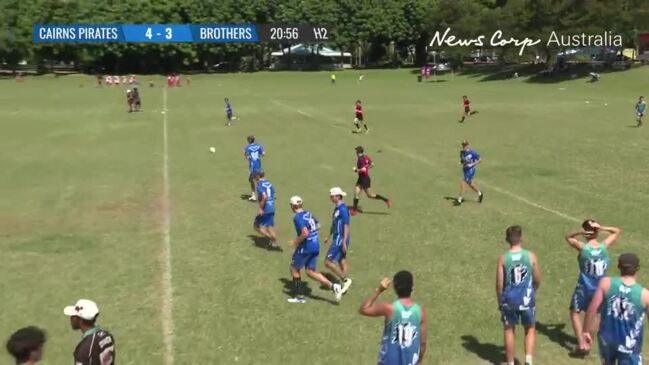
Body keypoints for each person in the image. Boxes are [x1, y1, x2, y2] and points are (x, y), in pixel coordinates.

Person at [565, 220, 621, 355]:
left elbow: (568, 237)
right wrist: (601, 228)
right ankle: (589, 342)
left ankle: (581, 343)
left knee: (575, 312)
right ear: (596, 232)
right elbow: (617, 231)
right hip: (600, 288)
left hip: (584, 286)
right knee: (595, 314)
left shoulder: (583, 248)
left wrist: (579, 232)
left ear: (586, 233)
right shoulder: (604, 247)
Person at [583, 253, 649, 364]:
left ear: (619, 267)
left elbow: (592, 309)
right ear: (637, 269)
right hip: (629, 345)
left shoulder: (605, 283)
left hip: (607, 339)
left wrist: (586, 331)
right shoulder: (645, 295)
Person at [359, 271, 427, 365]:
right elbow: (423, 343)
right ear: (412, 288)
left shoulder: (389, 308)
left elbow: (363, 309)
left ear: (395, 288)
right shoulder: (420, 312)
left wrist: (379, 290)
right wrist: (420, 361)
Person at [496, 225, 541, 365]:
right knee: (530, 328)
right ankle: (528, 360)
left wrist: (500, 300)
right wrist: (534, 289)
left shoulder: (503, 259)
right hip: (527, 297)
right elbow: (537, 278)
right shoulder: (531, 256)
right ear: (521, 237)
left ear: (507, 239)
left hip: (509, 298)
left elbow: (499, 283)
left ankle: (510, 362)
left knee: (509, 329)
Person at [287, 196, 342, 303]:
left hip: (306, 246)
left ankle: (299, 297)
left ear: (293, 206)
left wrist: (295, 242)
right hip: (315, 245)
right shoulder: (308, 213)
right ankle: (333, 286)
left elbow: (305, 233)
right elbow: (318, 225)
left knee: (294, 268)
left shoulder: (297, 217)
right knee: (310, 271)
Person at [63, 299, 115, 365]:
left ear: (80, 320)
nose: (71, 318)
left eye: (73, 316)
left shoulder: (84, 349)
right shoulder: (106, 335)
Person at [324, 187, 352, 293]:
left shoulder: (343, 209)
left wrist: (344, 241)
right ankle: (345, 284)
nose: (331, 198)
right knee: (341, 259)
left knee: (327, 261)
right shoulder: (337, 208)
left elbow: (346, 225)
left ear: (338, 196)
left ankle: (345, 279)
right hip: (337, 237)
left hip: (341, 238)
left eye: (332, 196)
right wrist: (329, 235)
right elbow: (334, 223)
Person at [351, 146, 391, 216]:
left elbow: (363, 170)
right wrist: (367, 168)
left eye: (356, 151)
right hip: (363, 178)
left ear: (358, 152)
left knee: (370, 195)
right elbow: (372, 164)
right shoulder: (366, 157)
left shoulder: (360, 159)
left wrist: (356, 170)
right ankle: (354, 210)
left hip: (364, 179)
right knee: (356, 192)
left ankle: (386, 200)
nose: (356, 152)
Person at [253, 171, 279, 250]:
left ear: (258, 176)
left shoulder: (259, 185)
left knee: (256, 226)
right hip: (272, 207)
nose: (254, 177)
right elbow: (274, 195)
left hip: (266, 209)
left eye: (255, 175)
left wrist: (261, 208)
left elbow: (264, 197)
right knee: (269, 226)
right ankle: (273, 243)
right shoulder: (269, 184)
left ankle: (272, 239)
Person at [457, 140, 483, 205]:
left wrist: (472, 164)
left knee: (463, 182)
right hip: (465, 170)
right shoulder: (461, 153)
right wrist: (461, 162)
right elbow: (463, 160)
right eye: (463, 145)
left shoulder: (472, 153)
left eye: (465, 145)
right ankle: (479, 193)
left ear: (468, 145)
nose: (464, 146)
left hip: (471, 170)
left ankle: (459, 199)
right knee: (470, 184)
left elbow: (480, 160)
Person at [244, 135, 265, 201]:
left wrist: (247, 155)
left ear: (249, 140)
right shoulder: (259, 146)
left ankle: (255, 196)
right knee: (256, 180)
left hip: (253, 166)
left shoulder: (247, 147)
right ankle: (262, 193)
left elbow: (247, 157)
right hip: (259, 165)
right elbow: (263, 153)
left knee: (253, 180)